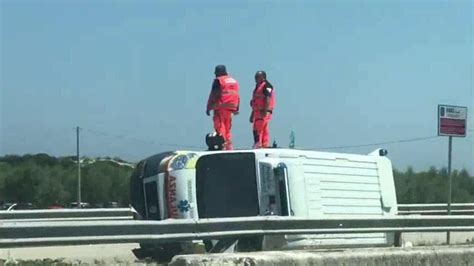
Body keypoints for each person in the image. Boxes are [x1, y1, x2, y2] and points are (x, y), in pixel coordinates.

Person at [206, 65, 240, 150]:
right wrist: (237, 108)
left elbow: (214, 93)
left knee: (220, 126)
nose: (215, 74)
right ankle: (229, 146)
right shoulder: (234, 81)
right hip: (231, 107)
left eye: (216, 72)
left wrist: (209, 106)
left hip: (221, 105)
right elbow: (236, 95)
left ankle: (223, 144)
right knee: (227, 127)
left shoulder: (219, 80)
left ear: (219, 72)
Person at [250, 70, 275, 148]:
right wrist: (252, 114)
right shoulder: (258, 87)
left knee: (258, 128)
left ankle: (258, 144)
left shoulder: (267, 86)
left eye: (257, 77)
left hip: (263, 111)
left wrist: (265, 110)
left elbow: (268, 97)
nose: (255, 79)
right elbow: (255, 101)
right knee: (263, 129)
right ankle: (264, 144)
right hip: (257, 111)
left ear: (262, 77)